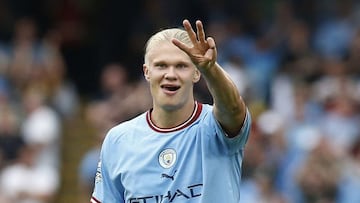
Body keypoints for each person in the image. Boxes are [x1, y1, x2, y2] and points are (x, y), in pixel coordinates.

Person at [90, 19, 251, 203]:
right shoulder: (118, 140)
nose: (171, 74)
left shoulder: (216, 126)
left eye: (181, 66)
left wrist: (211, 69)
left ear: (197, 73)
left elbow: (233, 107)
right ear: (146, 72)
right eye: (161, 66)